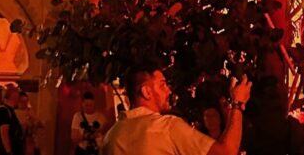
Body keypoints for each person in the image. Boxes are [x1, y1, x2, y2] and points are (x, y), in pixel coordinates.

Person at [103, 61, 251, 155]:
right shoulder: (165, 127)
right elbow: (226, 153)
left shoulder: (111, 136)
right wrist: (237, 104)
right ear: (146, 92)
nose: (168, 90)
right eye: (162, 85)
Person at [0, 85, 26, 155]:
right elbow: (4, 132)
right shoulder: (3, 111)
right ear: (13, 96)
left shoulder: (10, 111)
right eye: (18, 94)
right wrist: (9, 151)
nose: (19, 98)